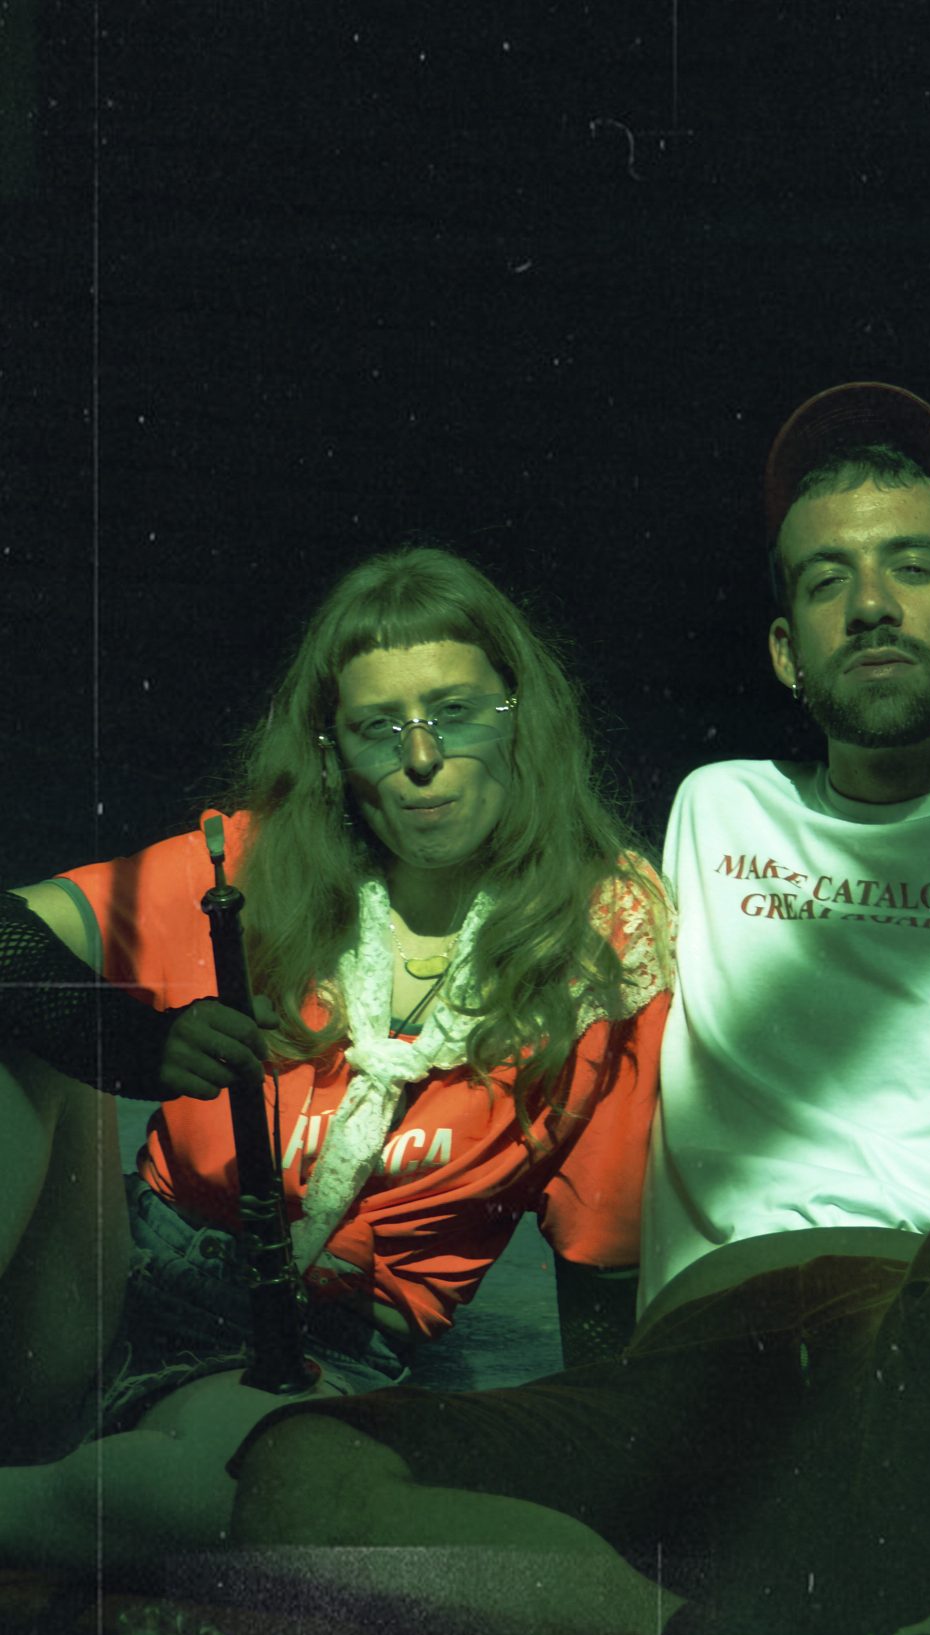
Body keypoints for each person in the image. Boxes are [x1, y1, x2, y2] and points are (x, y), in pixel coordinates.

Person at [225, 385, 930, 1635]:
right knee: (298, 1472)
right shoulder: (714, 813)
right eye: (827, 579)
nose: (871, 604)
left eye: (913, 566)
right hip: (690, 1380)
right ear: (787, 650)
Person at [0, 544, 671, 1566]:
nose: (420, 757)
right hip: (105, 1289)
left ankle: (41, 1507)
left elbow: (601, 1267)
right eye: (377, 727)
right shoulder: (259, 865)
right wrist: (133, 1045)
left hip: (313, 1359)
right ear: (333, 753)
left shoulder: (602, 941)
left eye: (455, 712)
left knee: (239, 1485)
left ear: (519, 718)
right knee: (20, 1025)